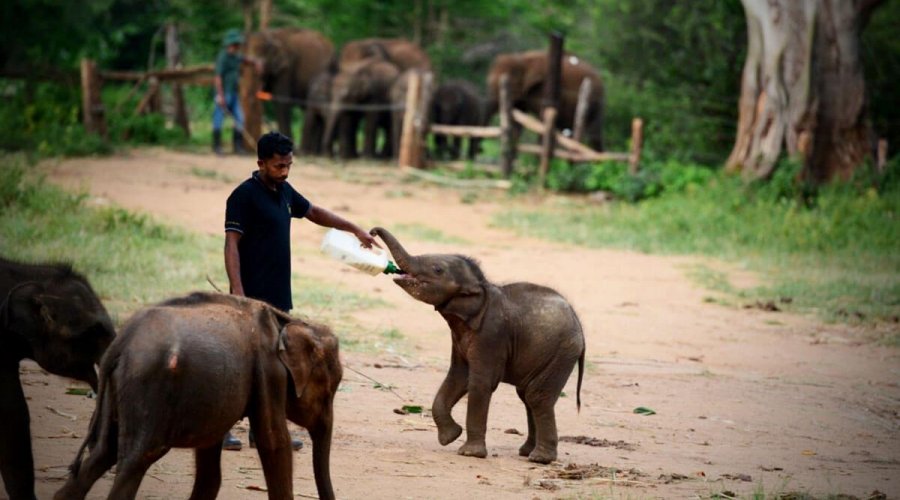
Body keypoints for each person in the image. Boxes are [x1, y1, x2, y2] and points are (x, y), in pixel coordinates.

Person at [222, 131, 378, 450]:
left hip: (279, 296)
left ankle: (263, 430)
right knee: (241, 363)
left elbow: (314, 212)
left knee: (275, 365)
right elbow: (231, 244)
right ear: (261, 163)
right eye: (279, 166)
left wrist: (354, 229)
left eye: (289, 165)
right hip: (250, 296)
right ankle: (220, 427)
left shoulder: (284, 191)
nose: (285, 171)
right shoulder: (243, 196)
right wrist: (238, 292)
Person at [213, 28, 261, 155]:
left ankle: (238, 147)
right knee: (219, 118)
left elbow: (245, 59)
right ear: (231, 44)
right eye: (236, 44)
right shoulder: (223, 57)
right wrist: (220, 95)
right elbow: (218, 78)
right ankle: (217, 146)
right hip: (224, 93)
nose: (237, 47)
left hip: (234, 93)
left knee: (240, 118)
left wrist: (255, 62)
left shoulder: (236, 57)